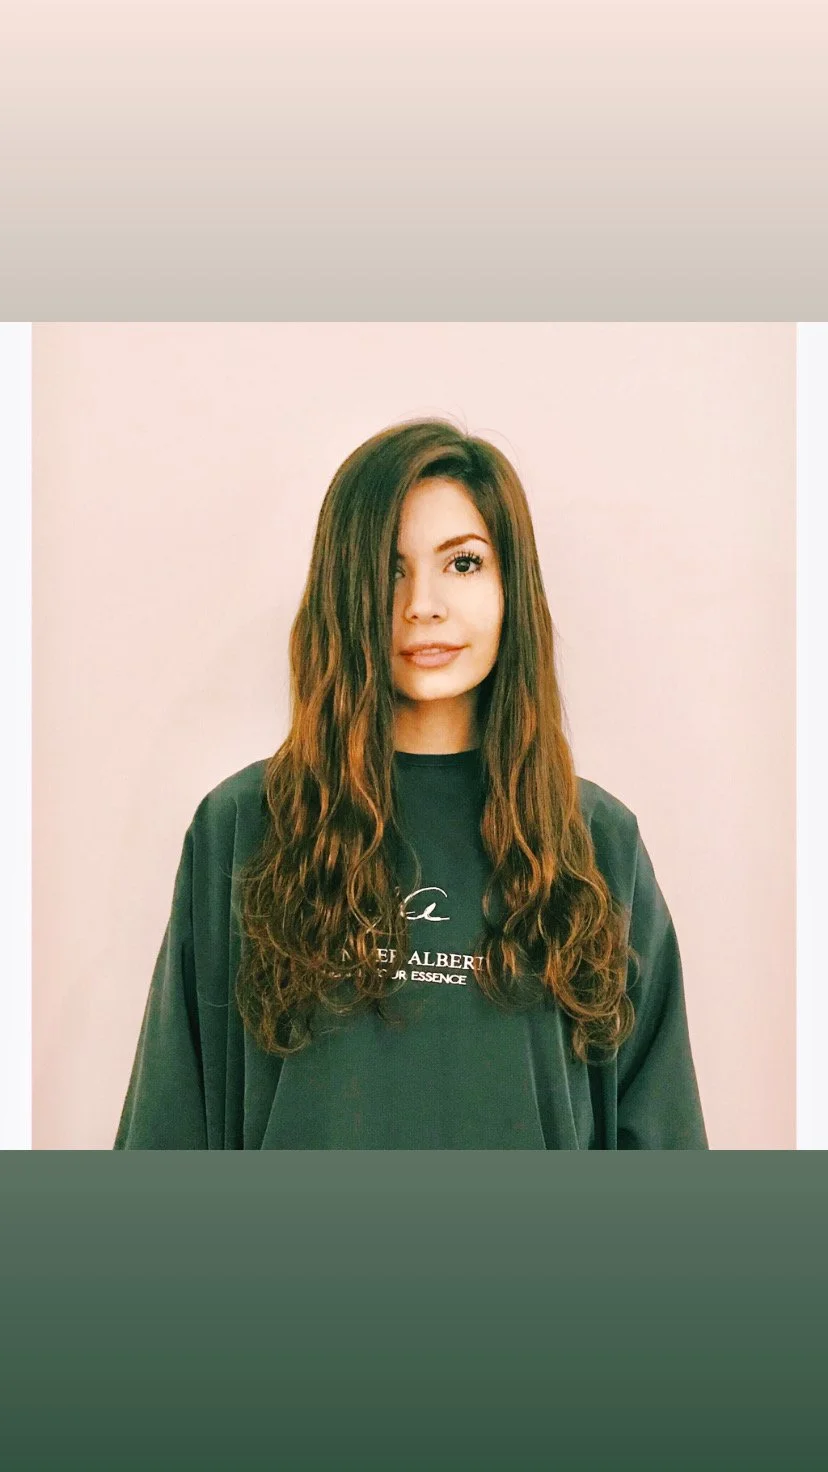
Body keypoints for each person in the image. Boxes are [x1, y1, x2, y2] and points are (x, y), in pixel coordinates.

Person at [114, 417, 708, 1150]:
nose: (423, 602)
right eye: (390, 569)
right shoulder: (243, 826)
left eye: (463, 564)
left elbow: (661, 1137)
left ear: (509, 588)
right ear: (345, 591)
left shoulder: (595, 842)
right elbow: (170, 1125)